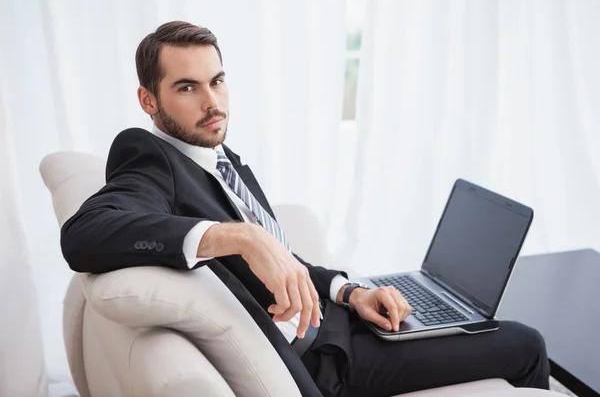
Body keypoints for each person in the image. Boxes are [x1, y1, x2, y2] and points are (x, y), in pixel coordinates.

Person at [60, 21, 550, 397]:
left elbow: (287, 265)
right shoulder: (150, 159)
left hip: (345, 318)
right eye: (187, 87)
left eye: (218, 81)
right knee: (525, 344)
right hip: (331, 360)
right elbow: (86, 232)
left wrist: (349, 290)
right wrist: (238, 236)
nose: (213, 103)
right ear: (148, 100)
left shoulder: (219, 159)